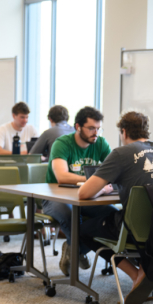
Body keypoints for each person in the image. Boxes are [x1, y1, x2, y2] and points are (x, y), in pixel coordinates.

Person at [78, 111, 153, 304]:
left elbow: (84, 194)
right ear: (146, 131)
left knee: (83, 230)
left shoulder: (121, 154)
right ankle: (144, 269)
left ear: (123, 132)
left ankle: (137, 275)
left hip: (136, 228)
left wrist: (103, 190)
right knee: (115, 219)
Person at [42, 106, 114, 276]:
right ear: (78, 127)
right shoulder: (62, 143)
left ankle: (74, 248)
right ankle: (80, 250)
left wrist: (98, 184)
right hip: (56, 197)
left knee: (112, 216)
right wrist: (94, 181)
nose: (95, 133)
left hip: (88, 197)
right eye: (91, 128)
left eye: (98, 128)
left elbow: (113, 172)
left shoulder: (101, 144)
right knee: (70, 216)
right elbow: (62, 176)